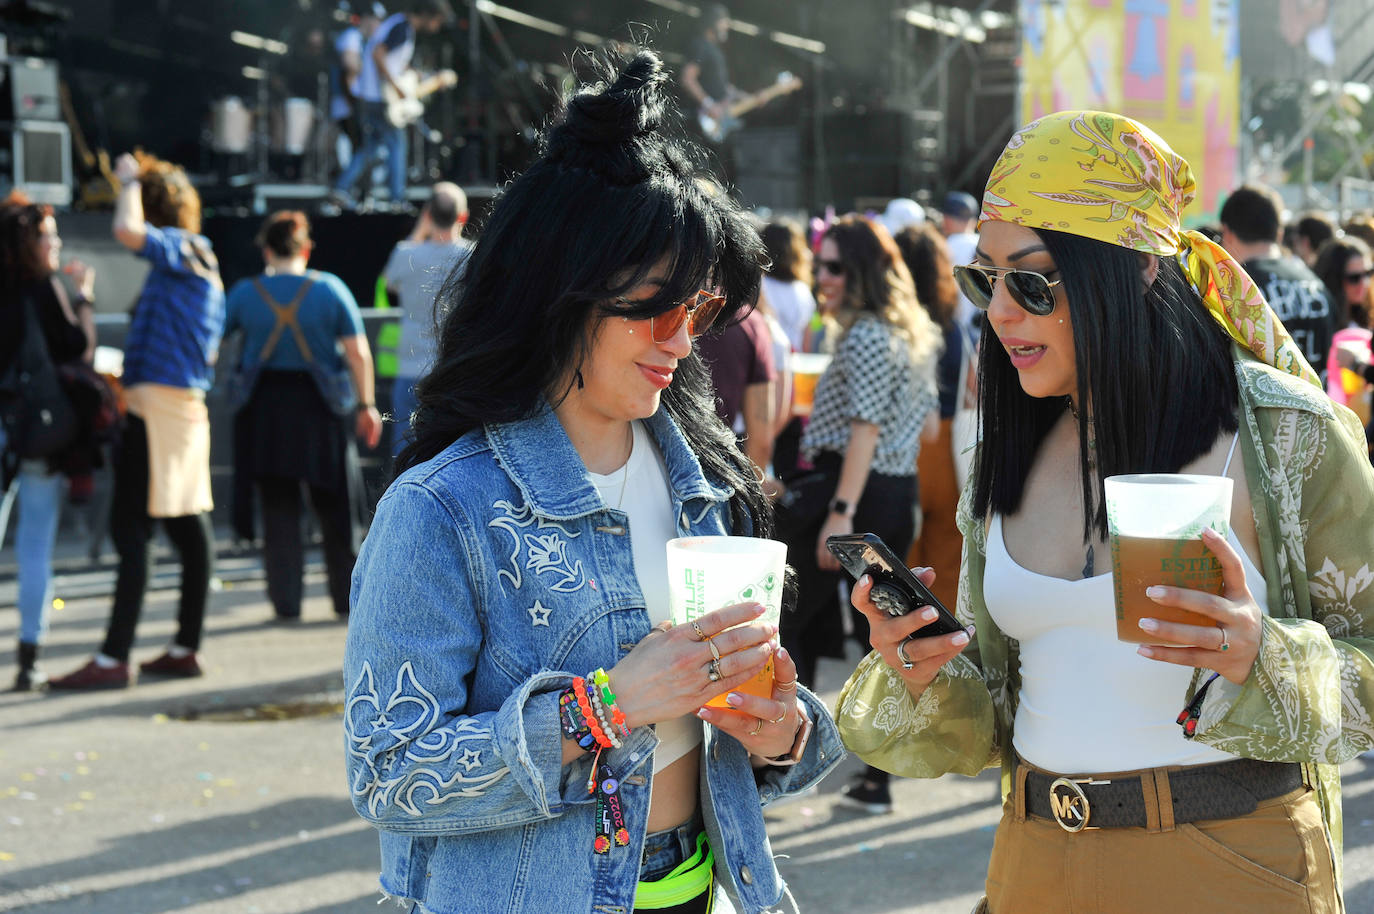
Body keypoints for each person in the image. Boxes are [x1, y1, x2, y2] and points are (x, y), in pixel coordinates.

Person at [342, 50, 840, 914]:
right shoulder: (443, 508)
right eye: (656, 307)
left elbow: (736, 738)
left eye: (701, 311)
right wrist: (603, 708)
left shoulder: (703, 478)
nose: (682, 340)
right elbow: (389, 772)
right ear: (559, 296)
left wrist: (783, 731)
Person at [837, 110, 1371, 913]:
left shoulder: (1278, 432)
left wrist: (1264, 658)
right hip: (1032, 860)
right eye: (986, 280)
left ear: (1137, 272)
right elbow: (993, 719)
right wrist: (925, 670)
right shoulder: (1007, 446)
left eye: (1034, 280)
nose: (1002, 312)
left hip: (1229, 865)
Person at [778, 214, 939, 815]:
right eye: (819, 263)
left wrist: (840, 512)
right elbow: (921, 426)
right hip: (896, 491)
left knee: (795, 618)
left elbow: (865, 431)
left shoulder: (869, 335)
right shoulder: (911, 330)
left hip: (858, 492)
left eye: (836, 266)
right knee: (884, 640)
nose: (823, 277)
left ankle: (783, 757)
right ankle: (872, 777)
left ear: (865, 271)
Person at [50, 152, 225, 690]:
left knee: (135, 530)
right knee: (184, 527)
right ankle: (183, 647)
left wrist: (127, 181)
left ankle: (114, 658)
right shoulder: (199, 264)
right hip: (179, 409)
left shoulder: (184, 250)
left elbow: (127, 230)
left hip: (158, 412)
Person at [224, 211, 382, 622]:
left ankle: (286, 603)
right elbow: (357, 353)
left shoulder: (244, 293)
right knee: (337, 509)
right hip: (321, 412)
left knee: (279, 512)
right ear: (306, 249)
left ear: (266, 250)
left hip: (266, 413)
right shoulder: (330, 290)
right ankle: (345, 600)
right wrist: (366, 406)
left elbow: (212, 342)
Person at [0, 194, 97, 691]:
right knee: (35, 545)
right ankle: (28, 656)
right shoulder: (47, 290)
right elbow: (79, 348)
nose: (56, 242)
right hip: (38, 433)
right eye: (48, 234)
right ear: (28, 242)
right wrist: (82, 296)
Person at [893, 222, 968, 610]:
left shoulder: (897, 327)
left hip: (907, 447)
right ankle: (952, 645)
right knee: (948, 560)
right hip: (952, 447)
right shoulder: (954, 327)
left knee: (906, 564)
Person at [331, 0, 453, 210]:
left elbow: (392, 59)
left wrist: (417, 75)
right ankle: (397, 199)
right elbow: (378, 54)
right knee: (397, 145)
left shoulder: (398, 25)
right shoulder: (402, 27)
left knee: (370, 148)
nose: (436, 28)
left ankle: (341, 188)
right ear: (428, 15)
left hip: (372, 97)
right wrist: (394, 85)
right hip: (379, 98)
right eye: (437, 21)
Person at [381, 181, 471, 456]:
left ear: (428, 215)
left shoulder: (405, 252)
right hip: (451, 366)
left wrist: (421, 229)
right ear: (462, 217)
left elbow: (389, 284)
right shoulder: (472, 255)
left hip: (409, 364)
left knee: (403, 450)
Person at [1219, 184, 1334, 384]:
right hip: (1318, 408)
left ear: (1227, 232)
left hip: (1261, 413)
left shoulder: (1232, 289)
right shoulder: (1315, 285)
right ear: (1279, 233)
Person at [330, 2, 386, 171]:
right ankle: (345, 184)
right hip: (348, 103)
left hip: (357, 103)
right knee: (361, 145)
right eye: (376, 21)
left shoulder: (367, 41)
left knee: (365, 146)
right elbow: (350, 65)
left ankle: (352, 184)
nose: (378, 25)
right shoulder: (352, 36)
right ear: (367, 19)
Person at [940, 190, 982, 330]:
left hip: (955, 326)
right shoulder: (984, 243)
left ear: (947, 220)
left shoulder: (946, 245)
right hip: (983, 326)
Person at [1314, 235, 1374, 332]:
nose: (1364, 283)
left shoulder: (1369, 316)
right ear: (1334, 280)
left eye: (1368, 273)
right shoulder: (1321, 322)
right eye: (1354, 278)